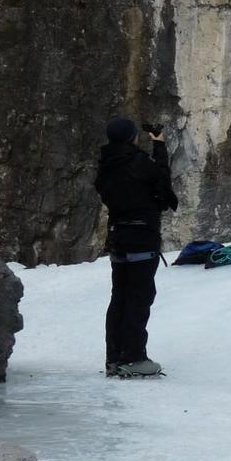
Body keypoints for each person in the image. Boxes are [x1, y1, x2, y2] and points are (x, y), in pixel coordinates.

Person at [94, 116, 178, 378]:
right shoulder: (139, 163)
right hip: (142, 238)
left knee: (119, 298)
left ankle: (114, 358)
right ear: (132, 137)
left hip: (118, 237)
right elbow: (163, 187)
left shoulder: (105, 167)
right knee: (139, 298)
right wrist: (159, 147)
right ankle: (134, 358)